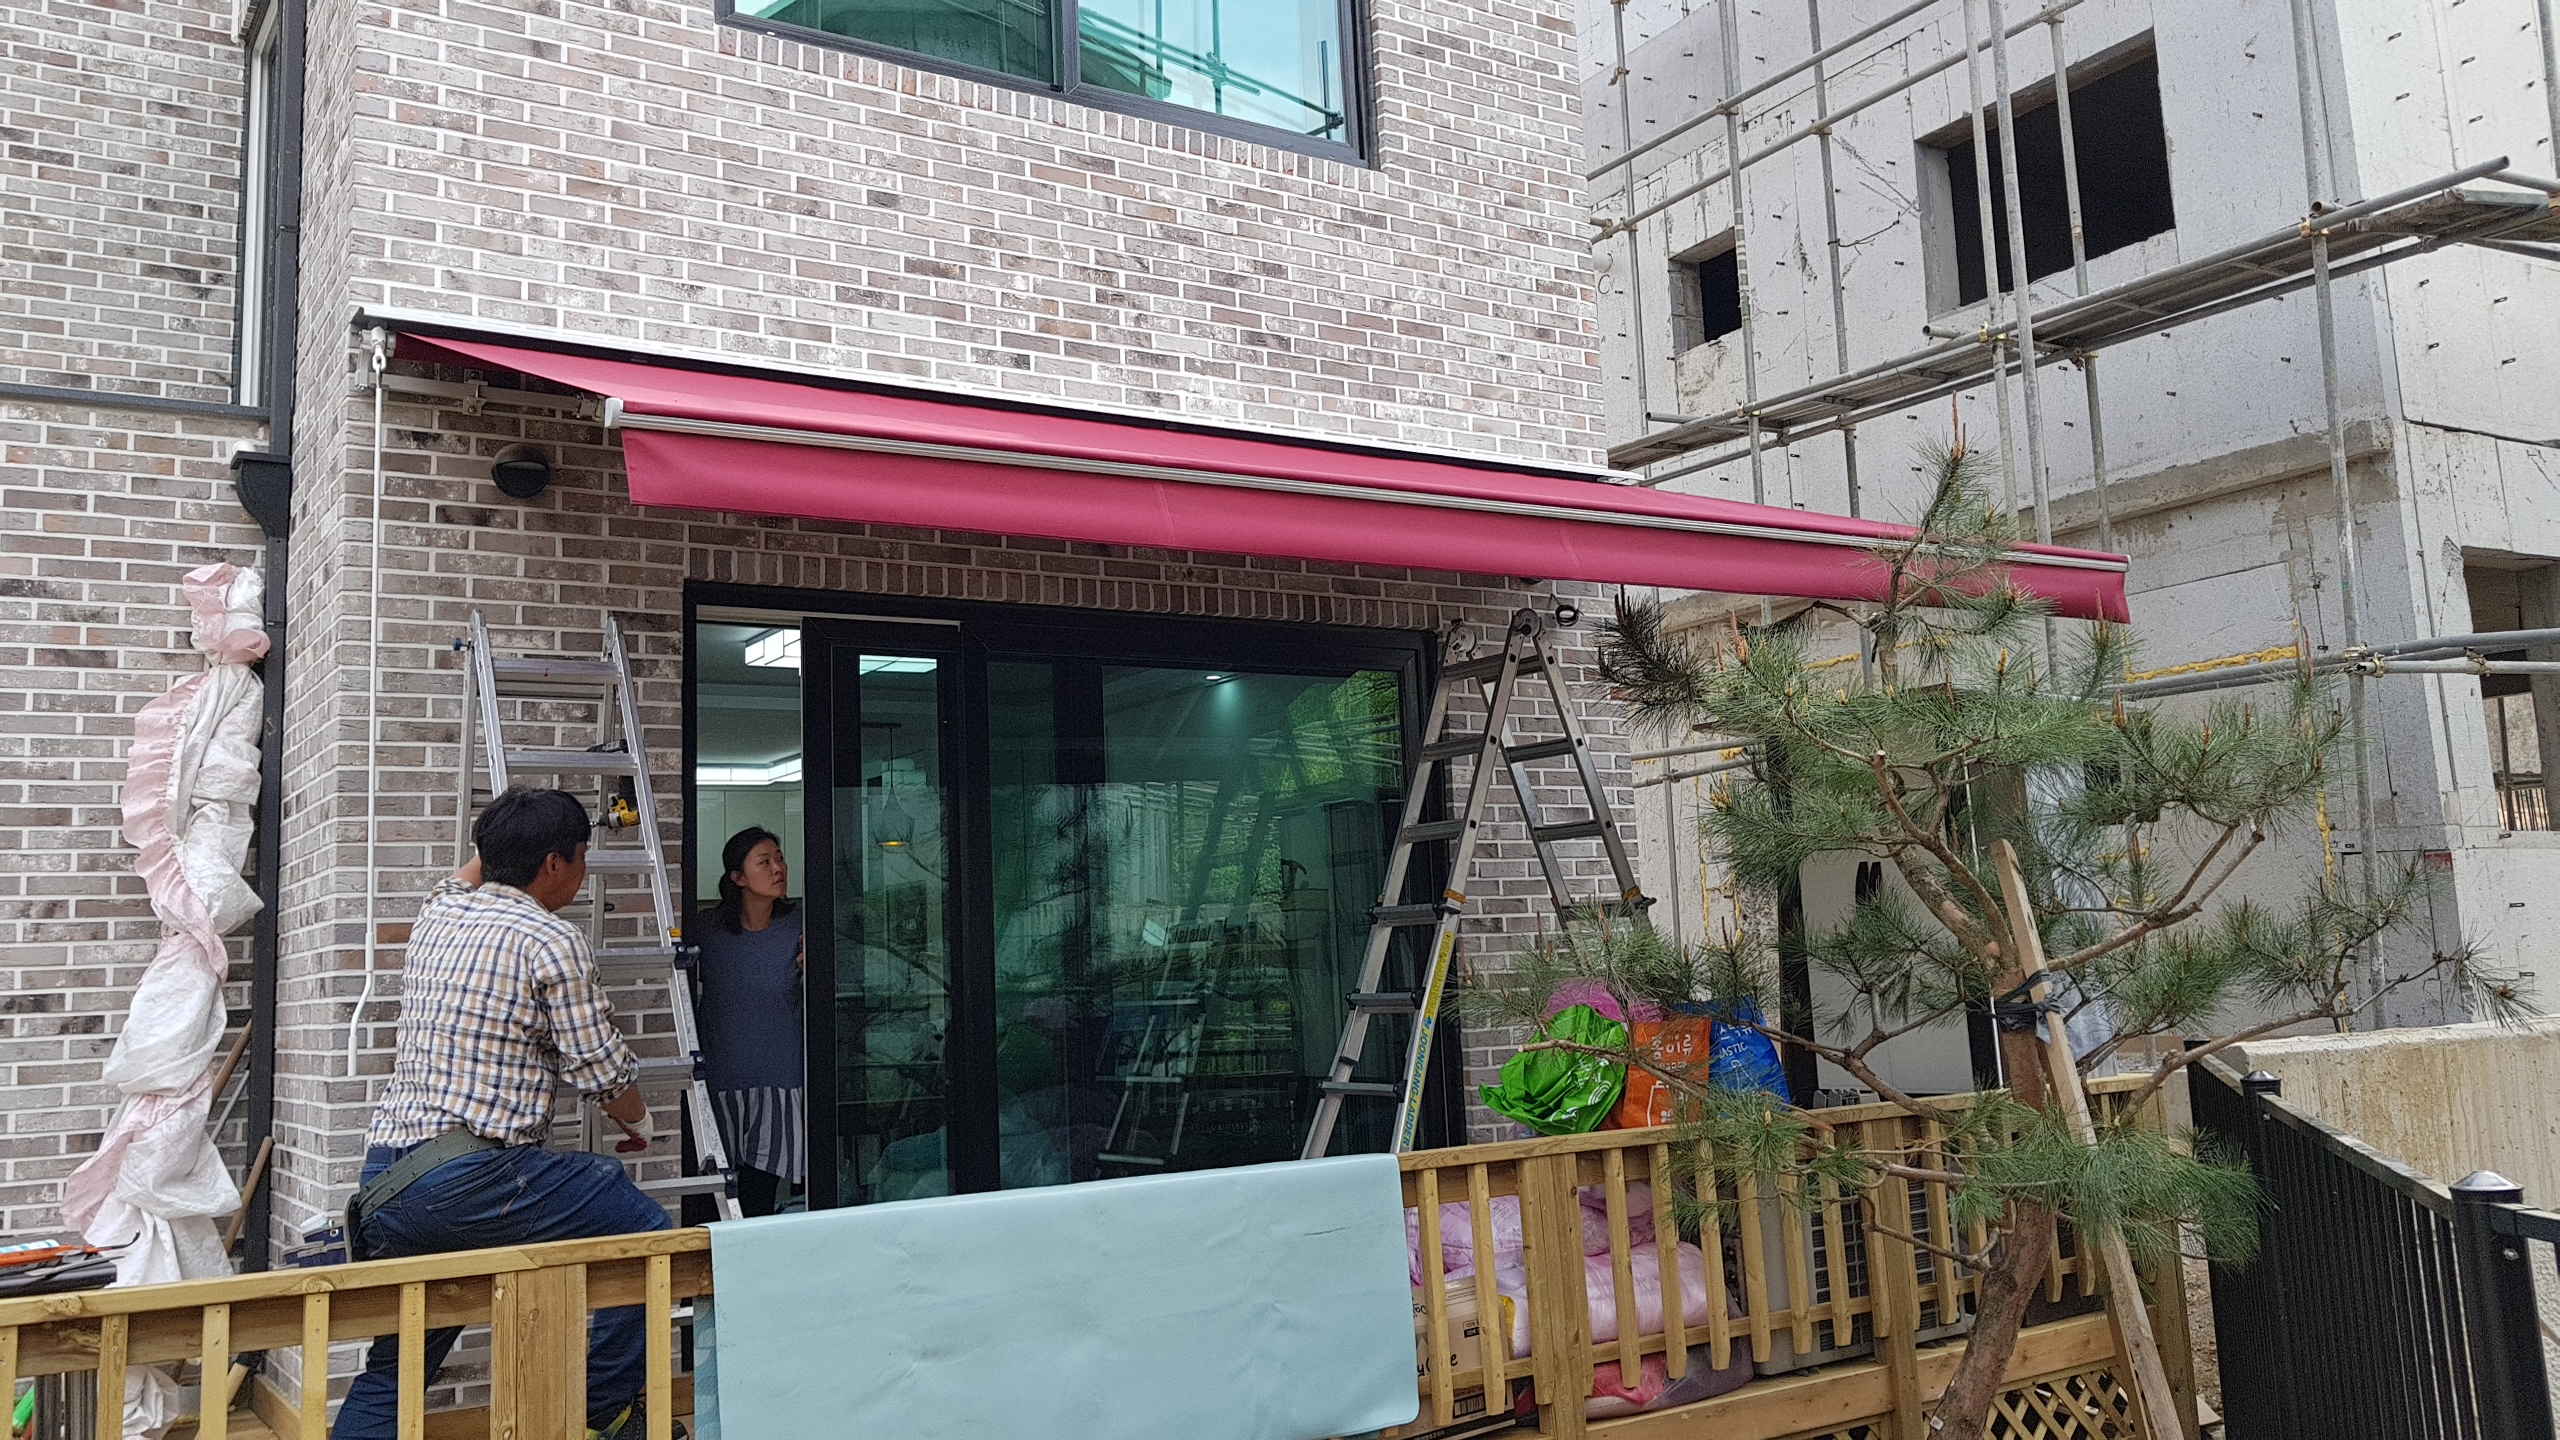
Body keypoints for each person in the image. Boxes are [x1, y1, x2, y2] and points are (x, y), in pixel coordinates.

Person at [334, 788, 669, 1440]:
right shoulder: (552, 940)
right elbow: (598, 1068)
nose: (583, 872)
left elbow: (471, 870)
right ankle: (602, 1411)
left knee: (397, 1368)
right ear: (554, 863)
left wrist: (505, 836)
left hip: (389, 1183)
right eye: (582, 857)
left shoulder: (440, 911)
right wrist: (641, 1123)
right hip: (473, 1181)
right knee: (642, 1232)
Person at [695, 826, 806, 1216]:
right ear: (738, 877)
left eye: (780, 858)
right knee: (715, 1197)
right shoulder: (706, 930)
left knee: (759, 1198)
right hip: (720, 1078)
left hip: (779, 1081)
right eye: (764, 861)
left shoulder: (800, 926)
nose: (778, 868)